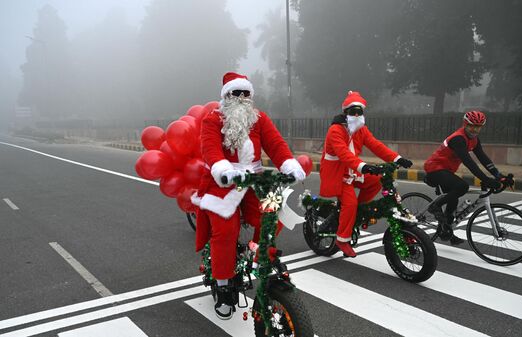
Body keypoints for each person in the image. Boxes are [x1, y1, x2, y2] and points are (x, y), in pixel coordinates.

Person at [192, 72, 306, 320]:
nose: (242, 98)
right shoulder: (213, 119)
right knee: (225, 232)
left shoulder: (259, 118)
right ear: (226, 96)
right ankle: (222, 286)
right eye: (237, 93)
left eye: (246, 93)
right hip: (223, 182)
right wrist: (222, 169)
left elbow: (275, 144)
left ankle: (258, 252)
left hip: (254, 179)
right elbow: (210, 148)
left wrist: (288, 165)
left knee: (272, 215)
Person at [319, 91, 413, 258]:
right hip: (337, 173)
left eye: (359, 111)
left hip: (353, 171)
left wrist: (398, 159)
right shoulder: (335, 130)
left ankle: (357, 213)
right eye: (352, 111)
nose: (356, 114)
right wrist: (364, 166)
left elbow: (376, 145)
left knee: (377, 180)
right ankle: (342, 239)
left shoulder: (361, 129)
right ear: (345, 112)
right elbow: (343, 154)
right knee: (350, 204)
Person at [424, 110, 506, 245]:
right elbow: (469, 162)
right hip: (435, 169)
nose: (475, 129)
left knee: (453, 200)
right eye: (472, 125)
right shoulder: (458, 138)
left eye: (478, 126)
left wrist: (498, 175)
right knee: (462, 186)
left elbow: (483, 158)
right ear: (465, 124)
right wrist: (486, 180)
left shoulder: (474, 140)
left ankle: (446, 231)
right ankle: (435, 206)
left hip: (447, 170)